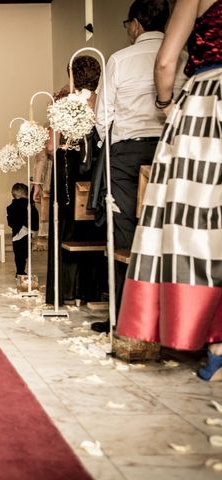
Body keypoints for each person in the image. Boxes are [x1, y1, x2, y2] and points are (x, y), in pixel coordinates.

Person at [116, 0, 222, 380]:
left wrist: (166, 105)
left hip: (210, 101)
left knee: (200, 218)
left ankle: (216, 344)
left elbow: (166, 62)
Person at [91, 0, 187, 333]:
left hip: (127, 154)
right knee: (171, 229)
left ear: (135, 25)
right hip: (170, 149)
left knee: (124, 233)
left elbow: (102, 117)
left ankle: (126, 316)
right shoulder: (184, 56)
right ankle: (174, 316)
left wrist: (111, 148)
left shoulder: (119, 59)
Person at [44, 56, 105, 306]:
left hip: (68, 167)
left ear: (71, 74)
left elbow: (50, 146)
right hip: (96, 169)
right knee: (93, 226)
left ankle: (65, 290)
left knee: (65, 222)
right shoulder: (102, 99)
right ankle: (92, 290)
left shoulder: (64, 101)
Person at [7, 183, 39, 277]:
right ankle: (21, 271)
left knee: (18, 255)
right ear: (25, 194)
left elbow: (11, 221)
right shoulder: (27, 205)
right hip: (26, 232)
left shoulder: (11, 207)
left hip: (16, 234)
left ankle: (19, 271)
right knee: (24, 254)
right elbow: (34, 217)